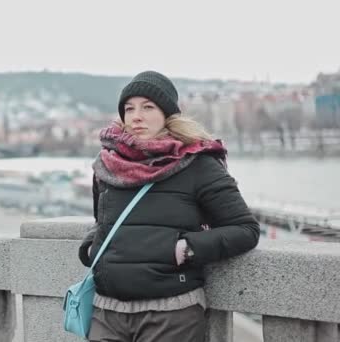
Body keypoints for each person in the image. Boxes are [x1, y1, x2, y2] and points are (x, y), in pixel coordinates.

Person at [78, 71, 260, 342]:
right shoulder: (107, 166)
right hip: (106, 312)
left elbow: (245, 230)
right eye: (129, 109)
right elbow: (101, 221)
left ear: (167, 114)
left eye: (148, 107)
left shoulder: (199, 165)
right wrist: (92, 249)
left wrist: (185, 248)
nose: (136, 116)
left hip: (171, 314)